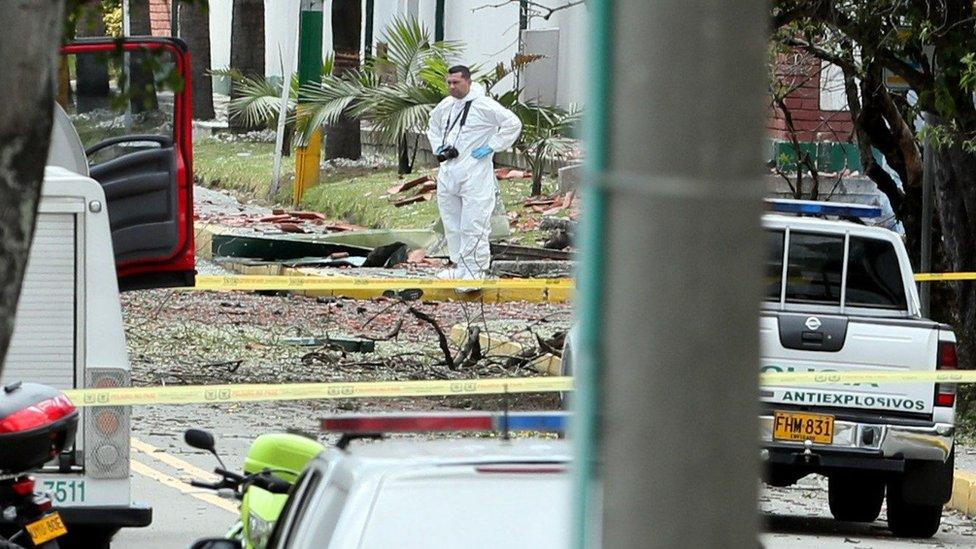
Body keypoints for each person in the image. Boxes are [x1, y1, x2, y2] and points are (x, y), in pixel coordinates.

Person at [426, 65, 522, 282]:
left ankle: (476, 269)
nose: (452, 87)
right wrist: (438, 147)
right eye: (448, 82)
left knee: (474, 222)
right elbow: (433, 125)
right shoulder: (447, 105)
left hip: (475, 173)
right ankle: (459, 266)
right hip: (449, 171)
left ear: (468, 81)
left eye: (456, 82)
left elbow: (513, 123)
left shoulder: (484, 105)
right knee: (452, 222)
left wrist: (492, 145)